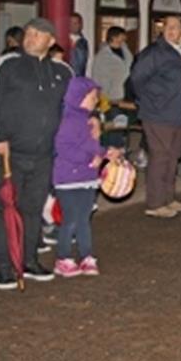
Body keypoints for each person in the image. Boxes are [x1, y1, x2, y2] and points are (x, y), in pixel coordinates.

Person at [0, 17, 72, 286]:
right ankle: (3, 264)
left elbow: (73, 108)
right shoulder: (6, 65)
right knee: (6, 208)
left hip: (44, 153)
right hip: (9, 151)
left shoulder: (62, 71)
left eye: (38, 34)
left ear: (51, 41)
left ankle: (28, 259)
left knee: (32, 209)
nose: (31, 38)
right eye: (28, 33)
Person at [130, 15, 181, 214]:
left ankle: (168, 198)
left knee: (173, 157)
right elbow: (136, 79)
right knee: (160, 157)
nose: (172, 31)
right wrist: (150, 100)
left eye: (176, 27)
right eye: (168, 27)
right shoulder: (154, 52)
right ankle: (155, 203)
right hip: (158, 114)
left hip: (180, 114)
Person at [51, 77, 114, 279]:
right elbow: (63, 148)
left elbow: (91, 146)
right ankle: (63, 257)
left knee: (83, 218)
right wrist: (91, 159)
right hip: (69, 178)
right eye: (92, 96)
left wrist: (104, 153)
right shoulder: (70, 121)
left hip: (85, 177)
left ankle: (86, 255)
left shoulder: (84, 120)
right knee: (71, 219)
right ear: (79, 97)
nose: (95, 100)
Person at [90, 26, 133, 103]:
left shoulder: (126, 51)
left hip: (127, 95)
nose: (125, 37)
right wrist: (102, 99)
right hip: (111, 97)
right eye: (122, 36)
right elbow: (97, 78)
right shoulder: (102, 56)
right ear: (114, 37)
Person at [68, 13, 89, 78]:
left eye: (76, 23)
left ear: (80, 25)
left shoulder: (83, 43)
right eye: (71, 23)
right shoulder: (61, 39)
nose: (73, 25)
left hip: (78, 79)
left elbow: (82, 65)